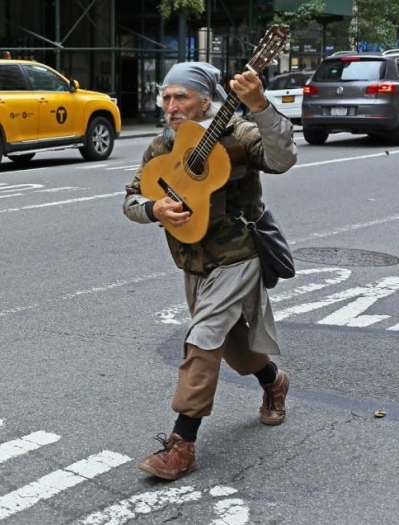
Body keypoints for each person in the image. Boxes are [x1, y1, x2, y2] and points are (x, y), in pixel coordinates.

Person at [122, 61, 297, 481]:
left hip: (238, 255)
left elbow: (282, 156)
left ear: (205, 100)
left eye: (180, 96)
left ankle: (182, 443)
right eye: (165, 96)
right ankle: (273, 381)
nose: (171, 105)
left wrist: (260, 105)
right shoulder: (163, 145)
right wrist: (153, 209)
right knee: (232, 344)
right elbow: (131, 198)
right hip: (193, 261)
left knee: (201, 338)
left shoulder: (237, 133)